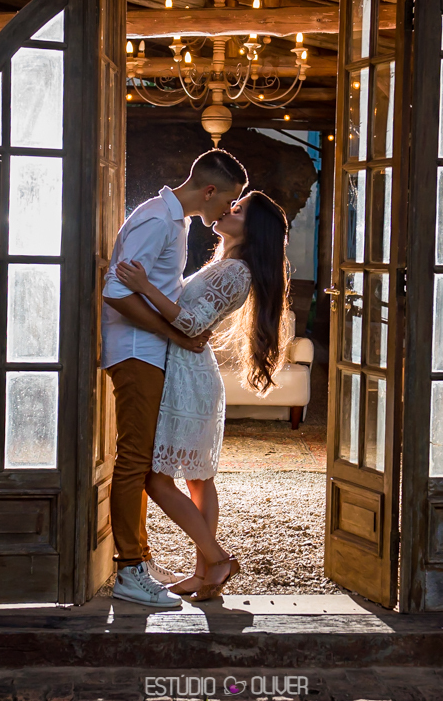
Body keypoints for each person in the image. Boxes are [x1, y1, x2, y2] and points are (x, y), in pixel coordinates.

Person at [114, 190, 291, 601]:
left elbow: (192, 323)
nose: (229, 208)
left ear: (253, 228)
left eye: (239, 209)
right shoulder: (226, 264)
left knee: (156, 479)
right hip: (189, 372)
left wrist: (143, 286)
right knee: (198, 480)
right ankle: (205, 574)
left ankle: (216, 559)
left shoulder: (237, 272)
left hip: (188, 379)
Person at [101, 149, 248, 608]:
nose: (226, 210)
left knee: (147, 464)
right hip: (137, 351)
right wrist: (175, 334)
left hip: (154, 352)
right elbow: (116, 290)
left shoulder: (176, 222)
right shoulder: (158, 220)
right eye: (228, 200)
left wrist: (179, 332)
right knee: (136, 464)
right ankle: (130, 571)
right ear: (210, 191)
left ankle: (140, 561)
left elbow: (165, 295)